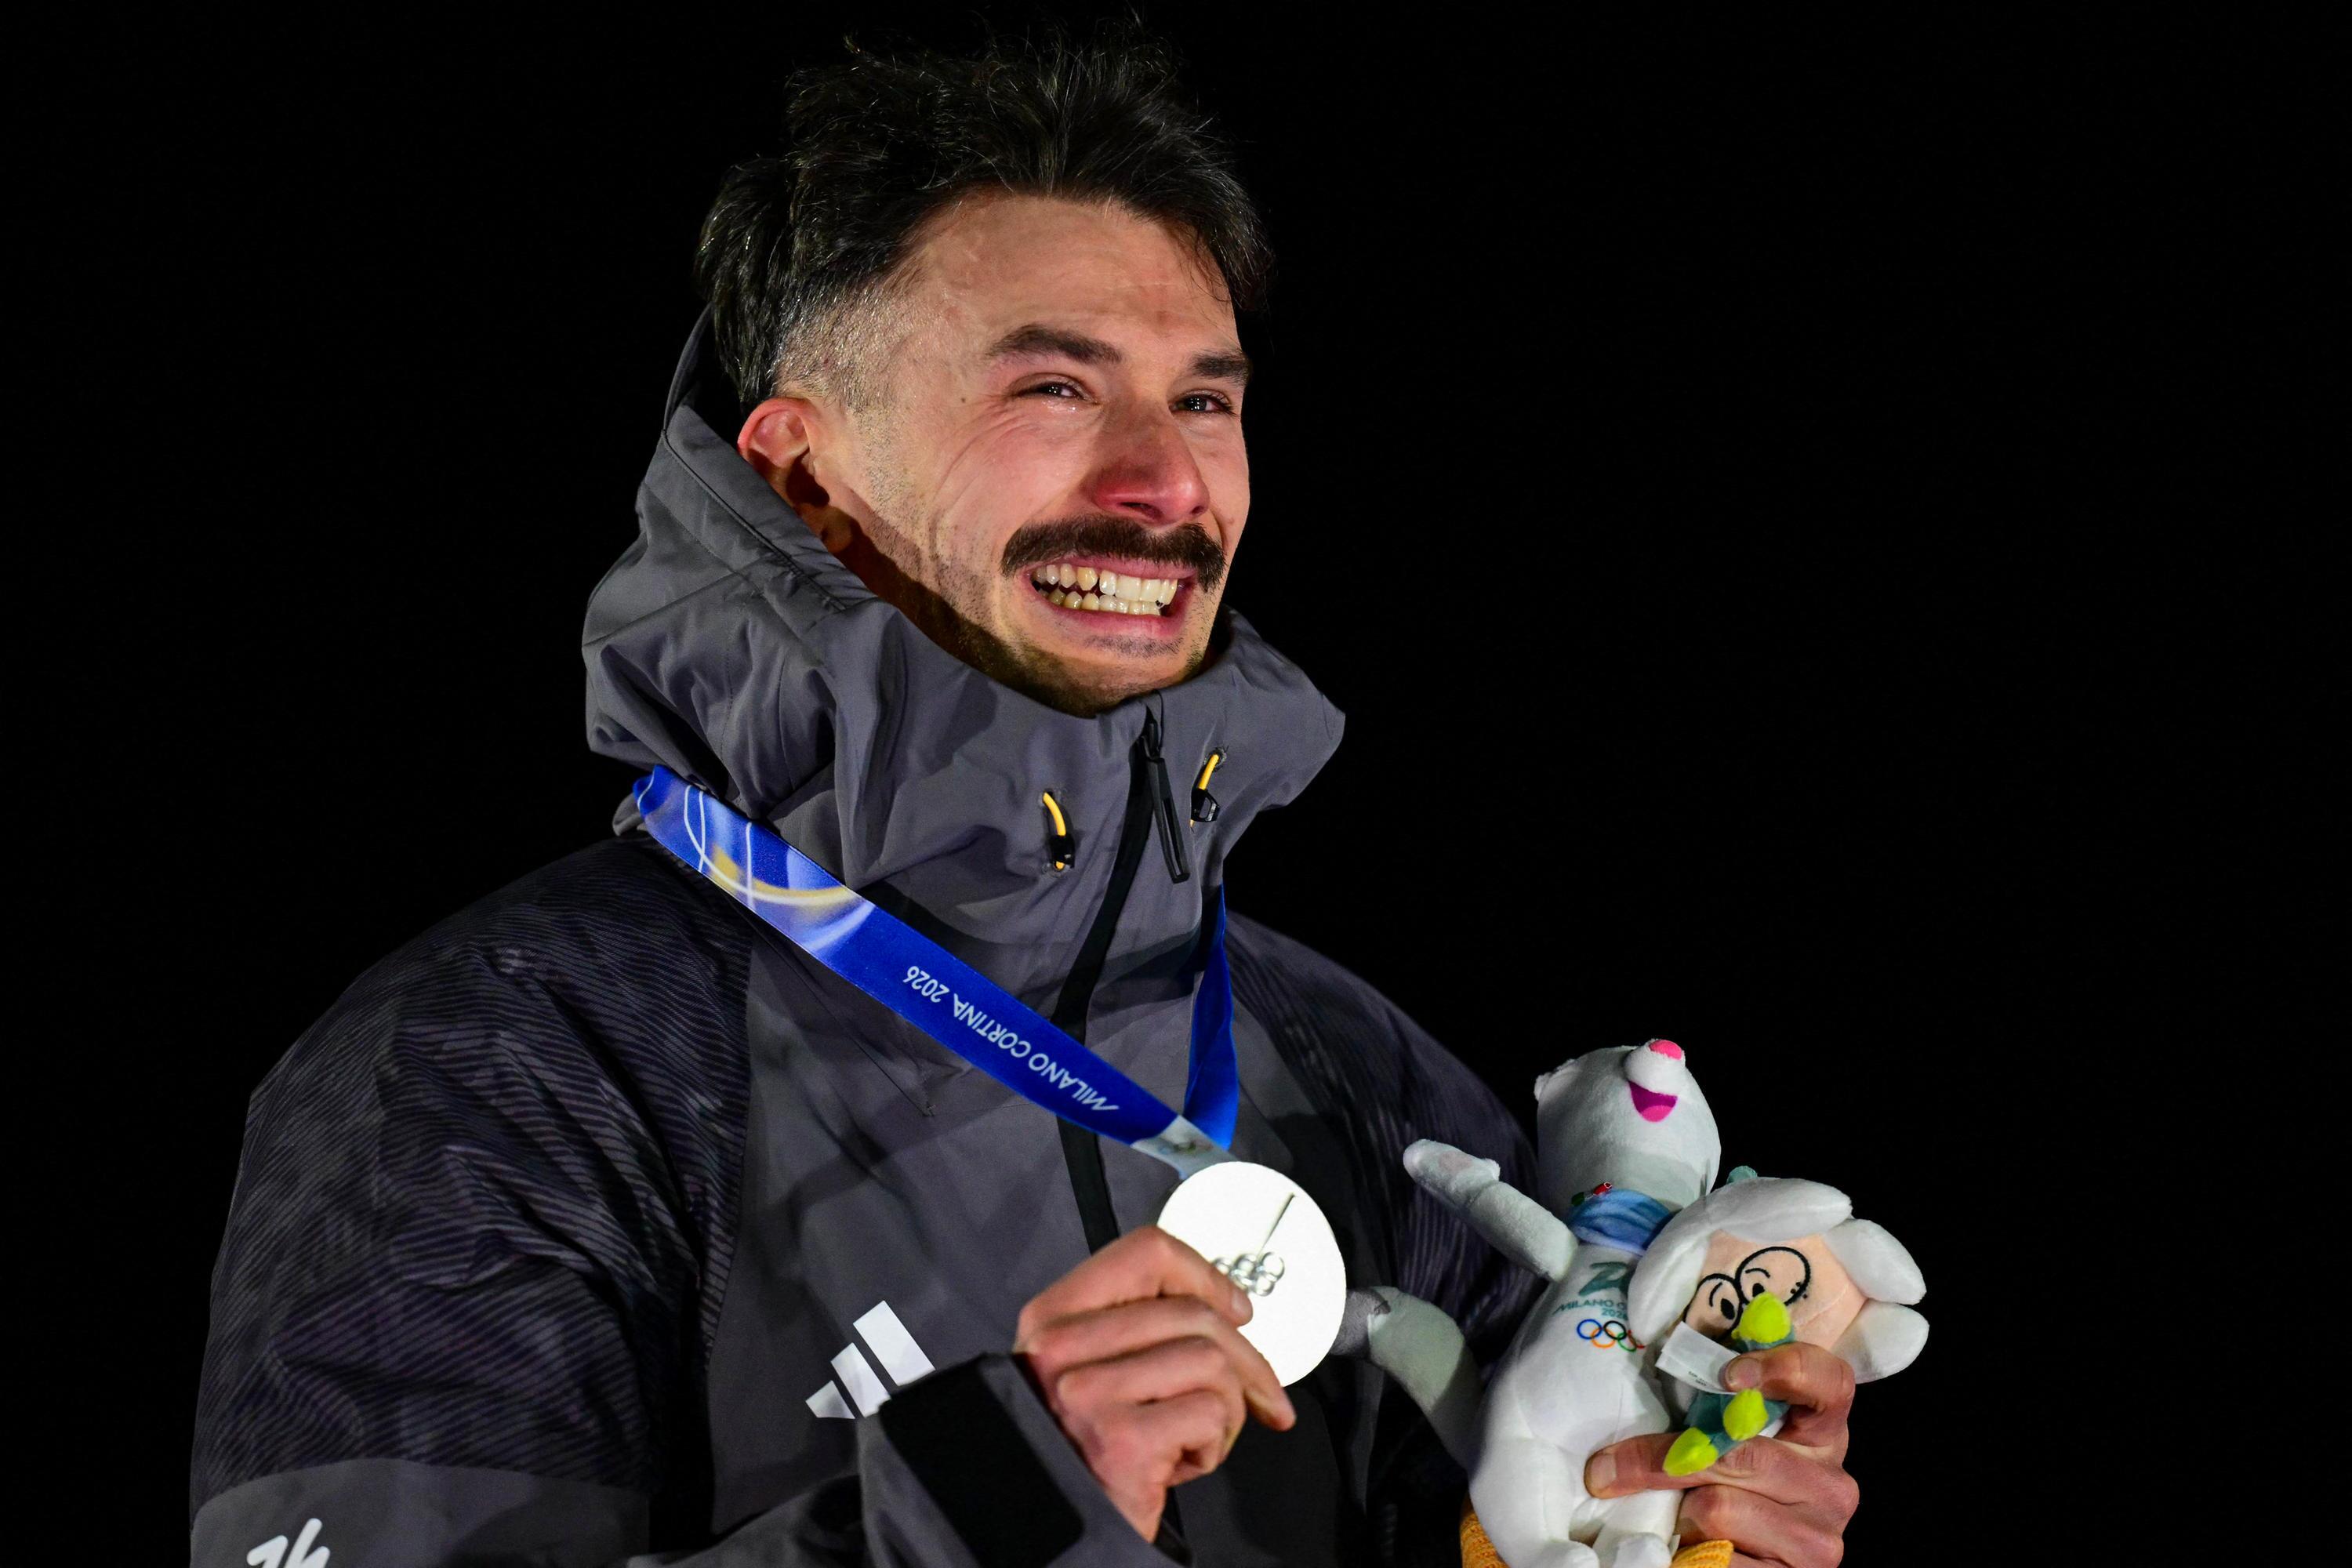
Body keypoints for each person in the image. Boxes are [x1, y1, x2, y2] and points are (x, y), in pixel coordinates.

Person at [190, 24, 1862, 1566]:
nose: (1165, 479)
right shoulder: (503, 1059)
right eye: (1054, 388)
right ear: (803, 474)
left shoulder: (1359, 1074)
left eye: (1203, 398)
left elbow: (1555, 1510)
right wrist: (987, 1503)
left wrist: (1655, 1515)